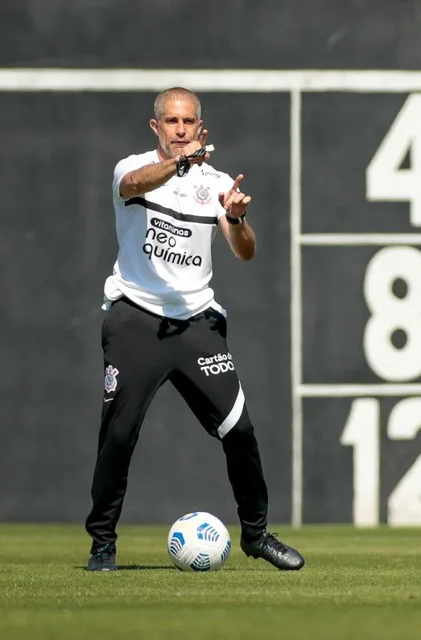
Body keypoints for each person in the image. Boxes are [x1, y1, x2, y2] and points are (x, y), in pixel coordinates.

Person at [84, 87, 304, 572]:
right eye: (170, 122)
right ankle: (102, 542)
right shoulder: (132, 167)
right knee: (118, 437)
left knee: (240, 430)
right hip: (135, 319)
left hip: (195, 324)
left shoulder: (217, 182)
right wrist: (181, 165)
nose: (179, 130)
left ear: (200, 129)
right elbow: (135, 185)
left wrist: (237, 217)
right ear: (155, 127)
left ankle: (256, 535)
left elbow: (244, 251)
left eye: (187, 123)